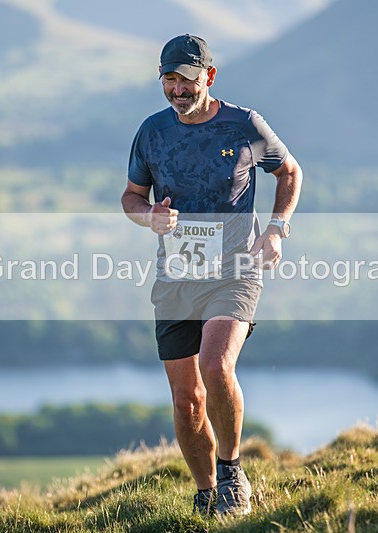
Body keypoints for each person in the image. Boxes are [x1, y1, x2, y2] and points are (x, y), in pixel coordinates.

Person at [120, 34, 302, 516]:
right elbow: (131, 196)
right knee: (186, 401)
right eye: (169, 80)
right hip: (177, 275)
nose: (177, 90)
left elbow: (289, 172)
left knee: (216, 366)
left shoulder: (244, 125)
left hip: (235, 270)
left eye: (186, 79)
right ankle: (206, 496)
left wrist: (278, 229)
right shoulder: (152, 132)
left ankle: (231, 470)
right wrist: (149, 217)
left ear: (210, 77)